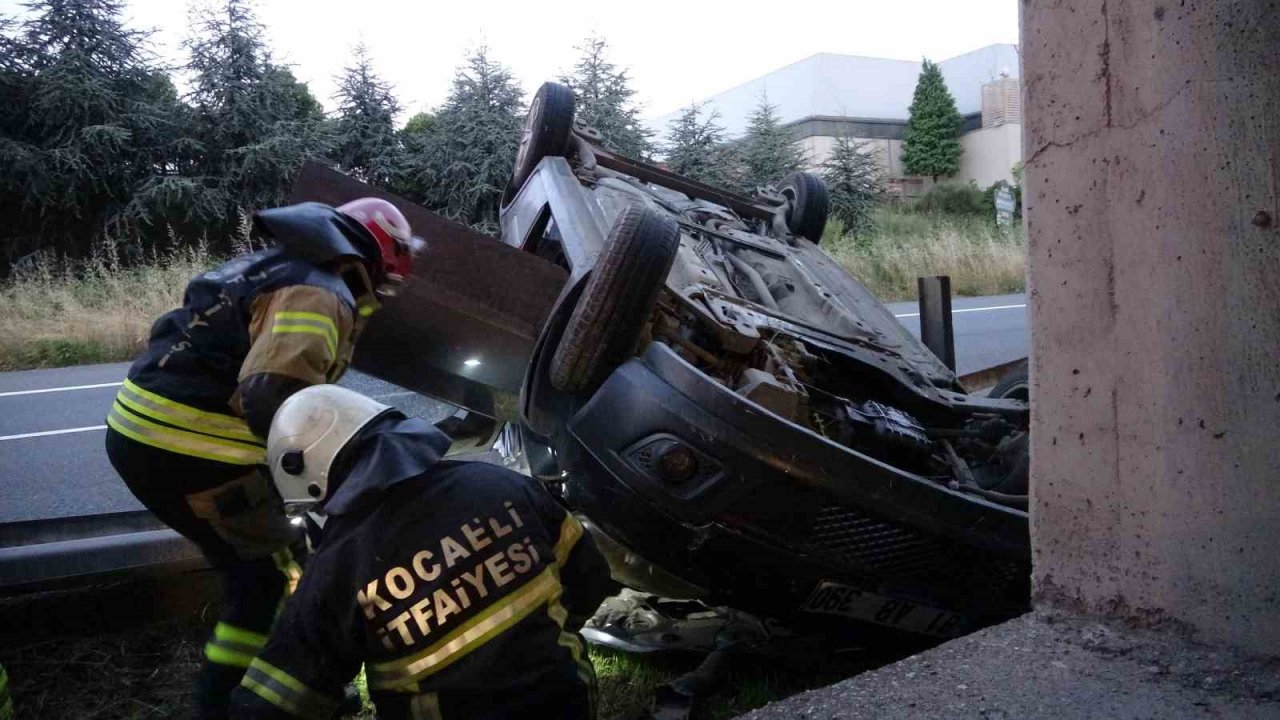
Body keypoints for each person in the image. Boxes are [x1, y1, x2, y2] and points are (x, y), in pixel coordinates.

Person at [104, 199, 419, 719]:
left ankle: (259, 689)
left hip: (145, 435)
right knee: (276, 579)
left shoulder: (263, 265)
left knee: (256, 569)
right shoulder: (321, 291)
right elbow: (276, 396)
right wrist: (325, 480)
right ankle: (241, 703)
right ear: (378, 255)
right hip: (198, 448)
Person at [229, 385, 615, 719]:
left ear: (315, 484)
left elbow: (276, 702)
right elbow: (591, 576)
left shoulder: (338, 568)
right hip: (568, 703)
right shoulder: (500, 484)